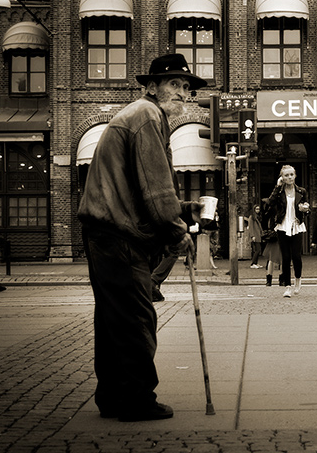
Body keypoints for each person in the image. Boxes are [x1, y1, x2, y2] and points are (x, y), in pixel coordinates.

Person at [78, 53, 205, 422]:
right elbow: (154, 189)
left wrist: (183, 208)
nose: (182, 93)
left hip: (106, 233)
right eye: (174, 84)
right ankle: (135, 399)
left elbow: (140, 188)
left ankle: (112, 395)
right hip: (119, 237)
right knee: (136, 318)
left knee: (114, 320)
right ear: (152, 87)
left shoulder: (137, 115)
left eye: (186, 87)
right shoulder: (148, 116)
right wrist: (178, 230)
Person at [267, 165, 309, 298]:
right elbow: (270, 202)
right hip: (283, 226)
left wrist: (305, 209)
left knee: (296, 256)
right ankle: (287, 287)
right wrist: (277, 186)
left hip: (296, 226)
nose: (289, 177)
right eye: (286, 175)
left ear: (295, 175)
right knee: (285, 257)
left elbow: (307, 208)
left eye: (291, 174)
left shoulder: (301, 191)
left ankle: (298, 279)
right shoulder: (279, 192)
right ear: (282, 178)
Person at [246, 203, 263, 269]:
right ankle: (253, 263)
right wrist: (252, 236)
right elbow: (251, 227)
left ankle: (256, 262)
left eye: (258, 209)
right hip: (255, 235)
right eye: (256, 209)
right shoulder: (252, 217)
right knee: (257, 250)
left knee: (258, 250)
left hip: (257, 235)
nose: (258, 210)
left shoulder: (256, 217)